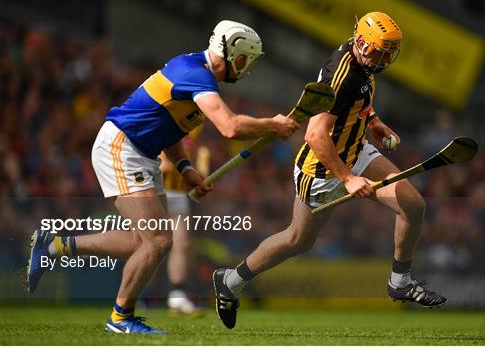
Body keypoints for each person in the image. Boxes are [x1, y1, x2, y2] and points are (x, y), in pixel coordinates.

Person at [26, 20, 298, 334]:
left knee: (140, 243)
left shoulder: (196, 74)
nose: (245, 68)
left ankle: (54, 246)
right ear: (235, 55)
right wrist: (272, 126)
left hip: (142, 152)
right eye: (245, 61)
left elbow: (170, 130)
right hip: (123, 146)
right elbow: (231, 127)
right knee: (159, 240)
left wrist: (185, 168)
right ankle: (120, 318)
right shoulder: (196, 75)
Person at [212, 12, 447, 330]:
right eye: (381, 51)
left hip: (357, 151)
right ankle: (232, 281)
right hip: (322, 169)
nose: (386, 58)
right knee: (297, 240)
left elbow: (357, 97)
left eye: (390, 51)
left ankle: (400, 280)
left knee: (413, 205)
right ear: (362, 43)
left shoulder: (362, 62)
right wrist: (347, 179)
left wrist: (373, 121)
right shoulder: (343, 73)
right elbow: (314, 135)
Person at [160, 127, 207, 317]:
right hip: (152, 189)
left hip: (178, 193)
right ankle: (136, 295)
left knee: (183, 243)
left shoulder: (196, 129)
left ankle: (177, 294)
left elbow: (198, 161)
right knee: (146, 244)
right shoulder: (164, 118)